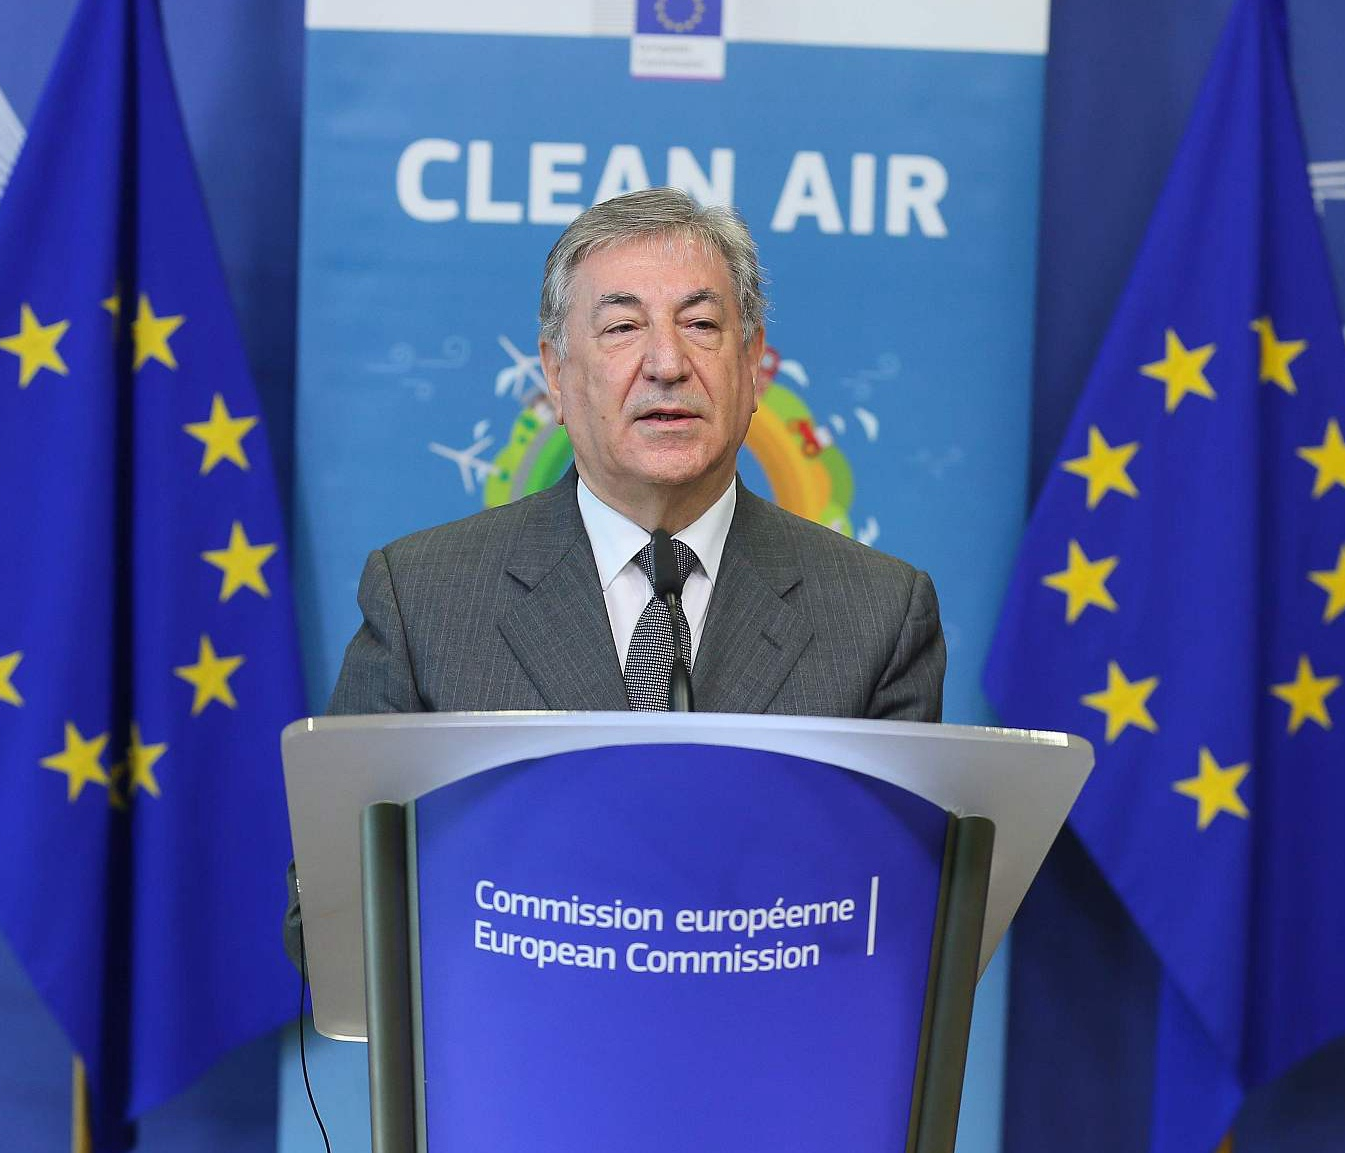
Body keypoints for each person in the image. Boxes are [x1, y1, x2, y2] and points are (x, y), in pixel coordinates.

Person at [285, 187, 945, 966]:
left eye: (701, 325)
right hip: (518, 1035)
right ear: (556, 374)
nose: (667, 364)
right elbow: (331, 920)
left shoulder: (878, 613)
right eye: (623, 327)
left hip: (771, 1033)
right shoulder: (425, 599)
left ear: (752, 365)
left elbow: (904, 933)